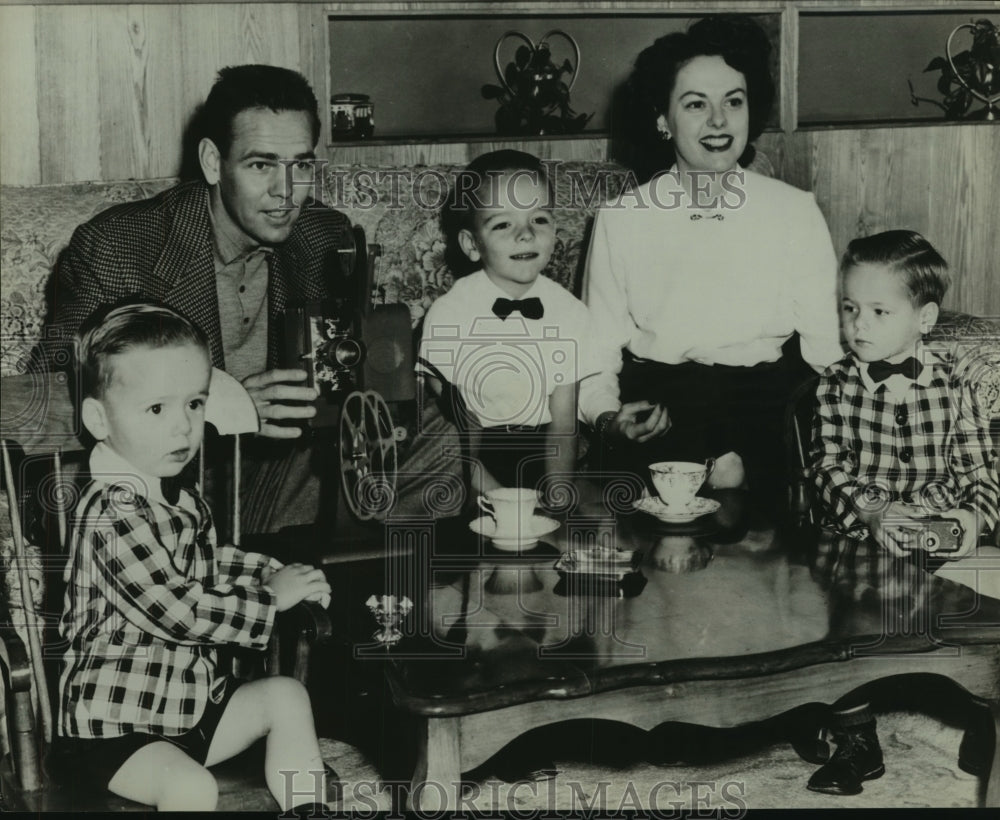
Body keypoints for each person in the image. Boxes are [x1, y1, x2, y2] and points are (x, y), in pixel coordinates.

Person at [53, 302, 335, 813]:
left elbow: (210, 561)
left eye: (195, 404)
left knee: (286, 696)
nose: (184, 428)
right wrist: (270, 599)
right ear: (99, 418)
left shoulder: (177, 498)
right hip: (115, 731)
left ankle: (306, 808)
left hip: (189, 708)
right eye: (157, 409)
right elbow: (175, 608)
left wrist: (269, 571)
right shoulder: (109, 513)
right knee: (191, 789)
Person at [580, 15, 843, 521]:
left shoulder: (794, 211)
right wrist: (610, 419)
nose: (719, 121)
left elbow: (827, 357)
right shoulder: (621, 218)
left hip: (765, 405)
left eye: (734, 101)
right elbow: (596, 352)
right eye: (696, 104)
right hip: (660, 409)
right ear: (663, 118)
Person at [807, 230, 999, 795]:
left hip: (937, 537)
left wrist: (972, 520)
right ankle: (857, 739)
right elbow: (827, 469)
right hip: (859, 541)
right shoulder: (835, 386)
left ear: (924, 317)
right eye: (850, 309)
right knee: (838, 630)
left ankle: (985, 715)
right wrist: (872, 512)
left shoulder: (956, 385)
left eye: (878, 311)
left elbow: (979, 472)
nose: (858, 325)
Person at [417, 150, 596, 498]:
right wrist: (502, 501)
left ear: (555, 229)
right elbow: (450, 432)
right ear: (472, 244)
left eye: (539, 219)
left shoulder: (570, 312)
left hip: (545, 456)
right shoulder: (449, 314)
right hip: (471, 463)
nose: (526, 235)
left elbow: (563, 424)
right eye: (503, 224)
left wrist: (557, 495)